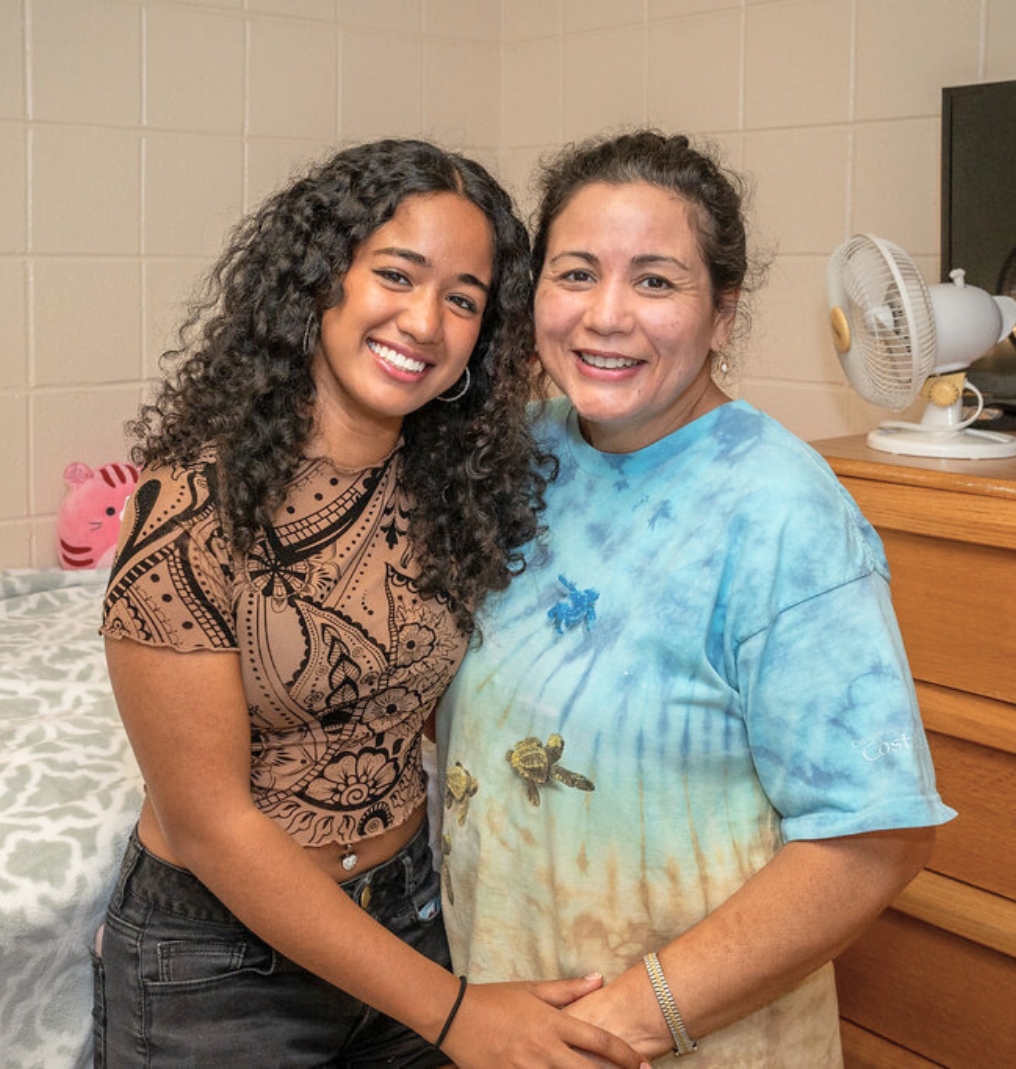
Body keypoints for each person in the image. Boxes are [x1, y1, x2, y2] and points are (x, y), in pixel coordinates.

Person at [94, 138, 650, 1069]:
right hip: (217, 967)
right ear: (321, 280)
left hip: (409, 914)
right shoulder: (188, 510)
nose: (425, 322)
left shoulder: (455, 490)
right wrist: (454, 1012)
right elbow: (211, 824)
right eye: (397, 274)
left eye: (464, 299)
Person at [436, 130, 957, 1067]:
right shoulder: (526, 453)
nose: (606, 315)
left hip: (675, 1040)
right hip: (504, 1023)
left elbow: (876, 835)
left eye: (656, 281)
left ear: (723, 314)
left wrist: (616, 1029)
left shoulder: (779, 509)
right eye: (576, 273)